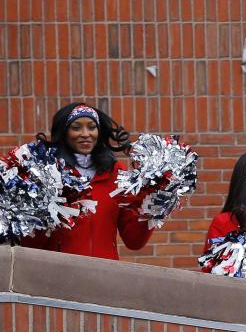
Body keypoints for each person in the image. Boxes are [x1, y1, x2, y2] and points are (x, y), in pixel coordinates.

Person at [21, 102, 152, 260]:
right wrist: (44, 210)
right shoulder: (47, 174)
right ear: (64, 132)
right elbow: (31, 245)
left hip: (104, 277)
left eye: (91, 127)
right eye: (76, 127)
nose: (85, 134)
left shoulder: (116, 173)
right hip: (57, 276)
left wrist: (153, 204)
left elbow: (134, 241)